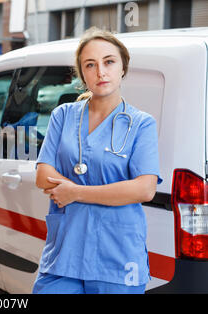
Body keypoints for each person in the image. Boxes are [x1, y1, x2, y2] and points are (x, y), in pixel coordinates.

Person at [32, 27, 162, 294]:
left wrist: (74, 192)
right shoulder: (63, 115)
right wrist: (111, 192)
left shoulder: (141, 124)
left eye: (109, 62)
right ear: (82, 74)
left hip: (117, 256)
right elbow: (43, 174)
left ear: (123, 67)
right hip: (64, 252)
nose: (100, 72)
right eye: (90, 65)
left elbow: (144, 189)